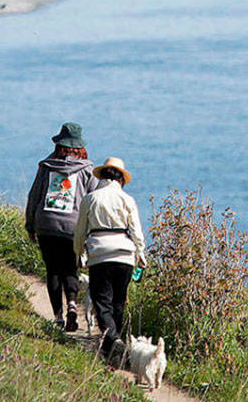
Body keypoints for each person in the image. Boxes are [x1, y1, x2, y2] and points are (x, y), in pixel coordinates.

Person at [74, 156, 148, 363]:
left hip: (99, 254)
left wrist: (79, 253)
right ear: (121, 179)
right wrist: (140, 254)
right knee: (118, 301)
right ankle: (112, 349)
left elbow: (80, 231)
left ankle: (113, 340)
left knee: (101, 301)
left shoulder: (91, 198)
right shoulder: (127, 200)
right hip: (125, 254)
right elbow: (136, 231)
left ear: (103, 176)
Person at [25, 122, 95, 332]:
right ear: (80, 147)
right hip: (72, 227)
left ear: (59, 144)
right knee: (70, 268)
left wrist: (30, 225)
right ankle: (72, 306)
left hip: (46, 224)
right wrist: (90, 232)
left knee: (53, 270)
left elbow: (34, 196)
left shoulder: (46, 167)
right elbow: (93, 200)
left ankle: (57, 317)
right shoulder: (87, 170)